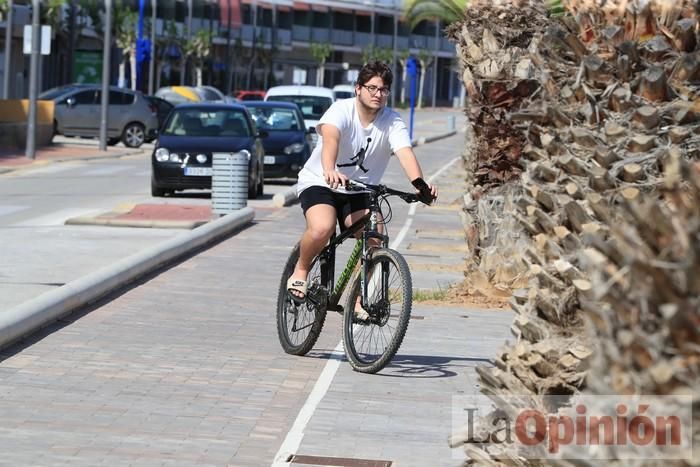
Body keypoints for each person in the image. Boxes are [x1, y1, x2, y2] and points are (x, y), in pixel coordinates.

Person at [286, 61, 438, 304]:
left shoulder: (392, 121)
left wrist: (420, 186)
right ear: (358, 88)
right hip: (321, 182)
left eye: (384, 90)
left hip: (359, 190)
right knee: (322, 228)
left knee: (374, 239)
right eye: (372, 88)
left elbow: (405, 152)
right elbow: (331, 139)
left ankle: (357, 299)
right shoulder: (341, 110)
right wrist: (329, 169)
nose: (378, 94)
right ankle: (301, 269)